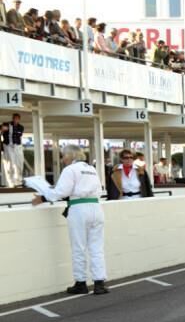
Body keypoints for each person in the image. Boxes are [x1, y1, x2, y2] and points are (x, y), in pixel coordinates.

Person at [31, 146, 109, 295]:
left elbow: (61, 192)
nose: (62, 159)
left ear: (69, 155)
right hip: (96, 208)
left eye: (63, 156)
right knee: (96, 247)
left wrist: (42, 198)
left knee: (78, 247)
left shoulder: (70, 170)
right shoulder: (91, 169)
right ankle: (99, 283)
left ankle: (81, 283)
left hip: (79, 209)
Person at [3, 112, 25, 187]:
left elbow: (19, 135)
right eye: (15, 119)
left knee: (19, 163)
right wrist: (3, 129)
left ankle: (18, 180)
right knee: (10, 163)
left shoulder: (21, 127)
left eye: (17, 119)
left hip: (17, 146)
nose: (16, 120)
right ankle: (10, 181)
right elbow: (2, 129)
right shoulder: (6, 124)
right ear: (13, 119)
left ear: (19, 119)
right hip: (8, 146)